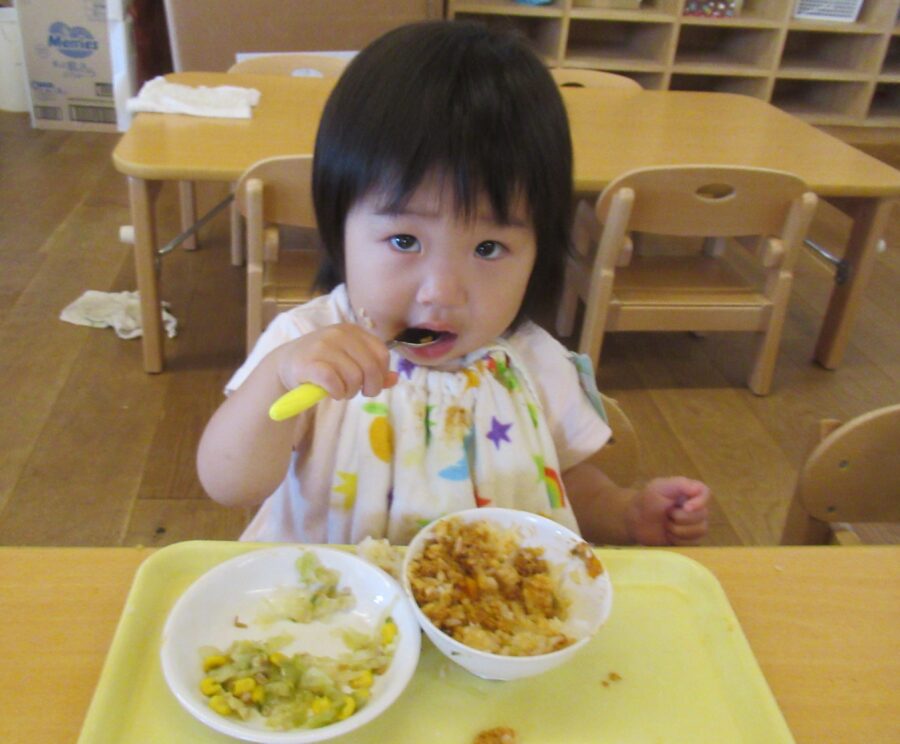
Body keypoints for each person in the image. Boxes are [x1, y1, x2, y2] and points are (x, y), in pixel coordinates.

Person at [197, 20, 709, 547]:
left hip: (490, 596)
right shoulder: (310, 347)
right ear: (338, 228)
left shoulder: (533, 362)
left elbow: (563, 482)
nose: (442, 292)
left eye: (488, 248)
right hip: (328, 590)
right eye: (404, 241)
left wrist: (627, 513)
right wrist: (279, 378)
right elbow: (229, 483)